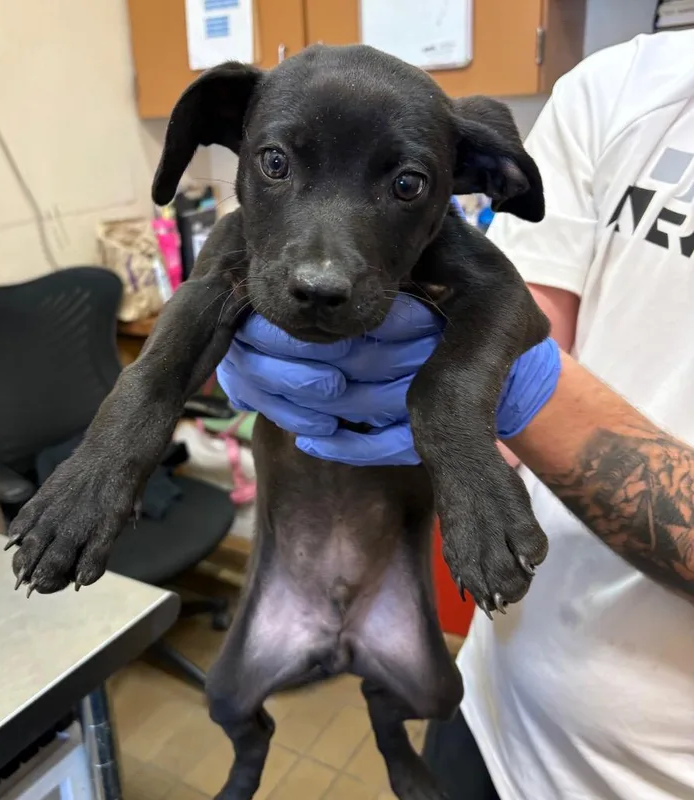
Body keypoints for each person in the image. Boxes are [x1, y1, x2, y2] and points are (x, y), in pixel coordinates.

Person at [215, 29, 694, 800]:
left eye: (405, 184)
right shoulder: (623, 83)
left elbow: (517, 364)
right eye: (275, 164)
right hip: (499, 695)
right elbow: (520, 301)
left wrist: (503, 400)